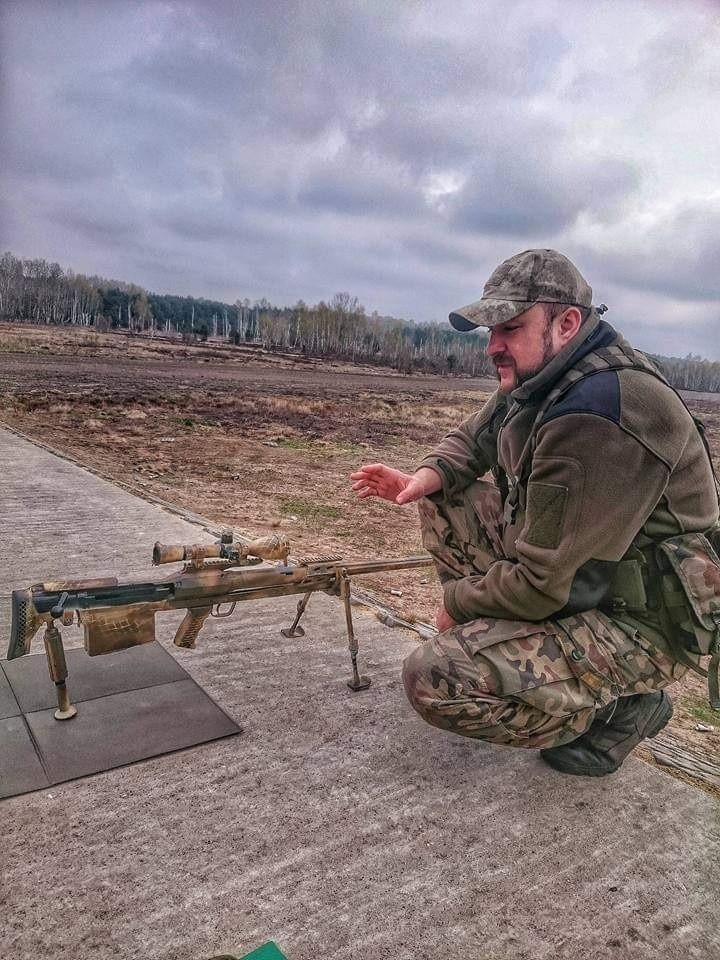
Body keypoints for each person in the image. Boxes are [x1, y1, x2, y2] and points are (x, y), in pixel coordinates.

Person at [351, 249, 720, 777]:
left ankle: (615, 708)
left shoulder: (597, 413)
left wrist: (456, 605)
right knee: (444, 500)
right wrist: (425, 477)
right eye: (490, 331)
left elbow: (547, 587)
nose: (493, 346)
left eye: (510, 328)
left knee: (436, 677)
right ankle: (520, 644)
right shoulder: (548, 372)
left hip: (641, 619)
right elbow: (477, 436)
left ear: (566, 323)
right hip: (587, 576)